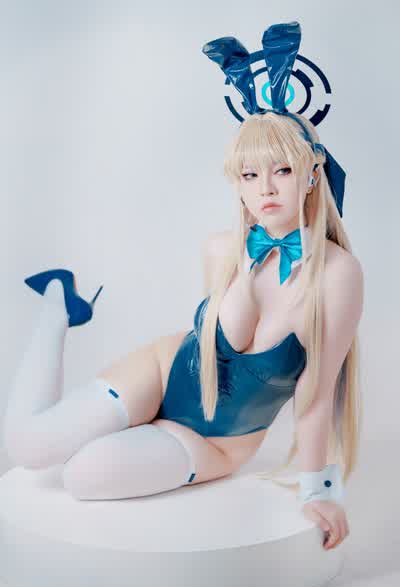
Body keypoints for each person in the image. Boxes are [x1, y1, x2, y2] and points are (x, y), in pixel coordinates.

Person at [2, 22, 363, 554]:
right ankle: (59, 306)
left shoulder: (337, 274)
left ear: (312, 174)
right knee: (31, 449)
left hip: (215, 443)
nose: (265, 189)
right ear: (237, 184)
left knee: (82, 477)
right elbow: (214, 346)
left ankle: (117, 426)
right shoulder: (220, 248)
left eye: (282, 170)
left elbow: (316, 394)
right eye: (249, 175)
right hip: (160, 371)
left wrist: (319, 491)